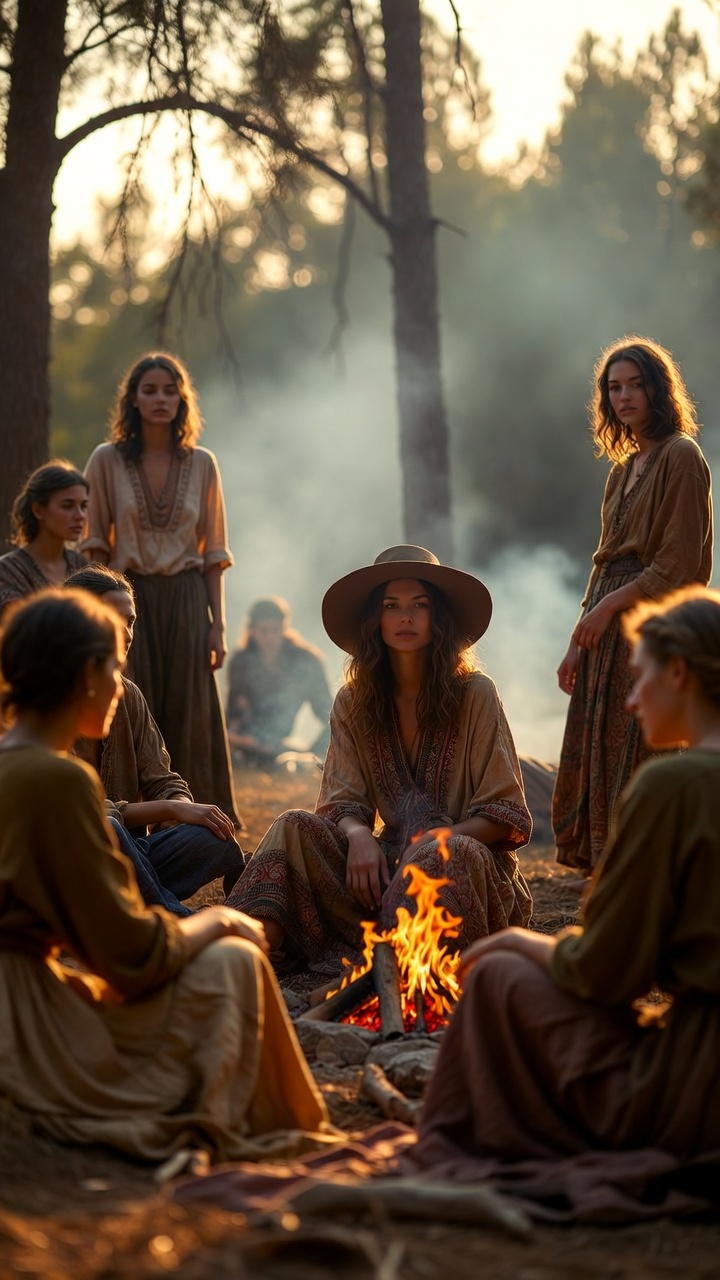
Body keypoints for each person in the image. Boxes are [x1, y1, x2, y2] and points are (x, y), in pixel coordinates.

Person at [413, 586, 720, 1218]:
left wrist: (526, 940)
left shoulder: (677, 784)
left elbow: (609, 974)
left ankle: (465, 1137)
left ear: (682, 672)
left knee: (497, 971)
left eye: (640, 679)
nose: (632, 702)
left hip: (699, 1088)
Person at [0, 588, 329, 1163]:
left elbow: (165, 785)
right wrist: (223, 922)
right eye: (113, 667)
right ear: (83, 674)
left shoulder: (19, 761)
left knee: (194, 851)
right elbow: (134, 957)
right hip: (22, 1023)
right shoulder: (58, 779)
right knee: (235, 959)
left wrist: (183, 814)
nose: (118, 684)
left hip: (30, 984)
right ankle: (264, 1121)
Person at [226, 545, 532, 984]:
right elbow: (341, 800)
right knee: (293, 825)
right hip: (385, 869)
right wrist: (358, 837)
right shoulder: (353, 702)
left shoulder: (476, 694)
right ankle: (245, 952)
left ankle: (408, 960)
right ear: (376, 619)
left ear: (438, 617)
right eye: (392, 606)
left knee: (455, 853)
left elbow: (504, 815)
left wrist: (441, 838)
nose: (405, 617)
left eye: (419, 605)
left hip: (465, 867)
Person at [552, 336, 712, 874]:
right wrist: (580, 636)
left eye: (635, 384)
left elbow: (677, 562)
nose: (623, 396)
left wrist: (610, 610)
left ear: (658, 389)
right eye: (613, 387)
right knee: (600, 746)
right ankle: (606, 867)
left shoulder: (681, 457)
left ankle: (643, 870)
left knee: (641, 748)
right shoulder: (622, 469)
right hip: (606, 614)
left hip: (650, 620)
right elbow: (603, 562)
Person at [80, 352, 240, 825]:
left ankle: (208, 823)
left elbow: (214, 553)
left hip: (189, 599)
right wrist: (95, 619)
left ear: (182, 400)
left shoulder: (204, 463)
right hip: (126, 600)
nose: (160, 399)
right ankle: (128, 818)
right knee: (129, 698)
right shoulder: (106, 460)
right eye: (149, 390)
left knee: (191, 709)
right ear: (132, 400)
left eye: (170, 390)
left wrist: (219, 626)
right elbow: (92, 548)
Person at [65, 564, 245, 917]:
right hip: (65, 864)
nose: (127, 633)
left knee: (213, 838)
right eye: (113, 620)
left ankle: (131, 900)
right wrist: (172, 809)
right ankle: (174, 918)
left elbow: (163, 779)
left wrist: (179, 807)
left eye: (130, 621)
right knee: (108, 827)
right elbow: (83, 814)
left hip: (129, 854)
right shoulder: (44, 696)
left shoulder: (127, 694)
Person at [226, 596, 332, 765]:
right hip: (246, 744)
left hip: (281, 744)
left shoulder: (306, 662)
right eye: (264, 630)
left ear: (284, 628)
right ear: (251, 630)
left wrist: (316, 753)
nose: (270, 637)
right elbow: (232, 714)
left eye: (275, 630)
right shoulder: (240, 663)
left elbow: (329, 715)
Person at [0, 460, 87, 615]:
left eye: (83, 506)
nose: (80, 516)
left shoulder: (83, 567)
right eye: (68, 506)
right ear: (38, 510)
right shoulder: (7, 572)